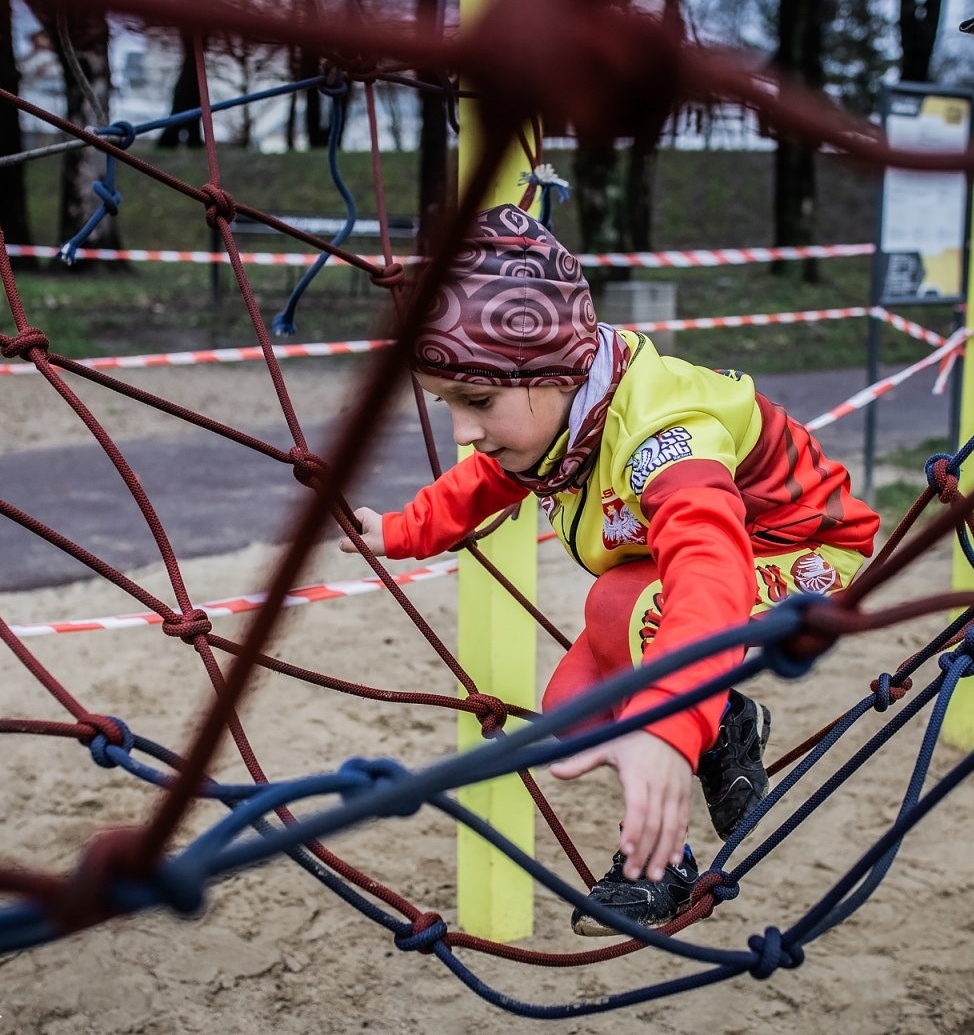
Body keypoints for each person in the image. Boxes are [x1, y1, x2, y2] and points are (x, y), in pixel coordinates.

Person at [341, 205, 878, 934]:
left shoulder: (663, 435)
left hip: (802, 553)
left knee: (630, 615)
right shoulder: (565, 413)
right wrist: (401, 530)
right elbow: (489, 480)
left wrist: (668, 726)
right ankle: (725, 726)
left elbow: (706, 570)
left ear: (553, 372)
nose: (463, 431)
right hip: (675, 567)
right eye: (448, 406)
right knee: (573, 719)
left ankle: (658, 866)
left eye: (477, 401)